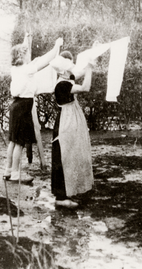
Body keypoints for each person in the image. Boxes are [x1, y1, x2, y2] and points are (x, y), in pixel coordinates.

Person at [4, 35, 64, 183]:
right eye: (27, 53)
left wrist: (25, 39)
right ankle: (16, 174)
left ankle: (8, 170)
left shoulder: (15, 69)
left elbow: (22, 51)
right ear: (23, 56)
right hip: (23, 107)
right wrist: (56, 46)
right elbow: (45, 60)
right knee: (19, 142)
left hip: (15, 106)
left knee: (12, 141)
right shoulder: (28, 69)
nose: (29, 55)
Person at [51, 51, 94, 208]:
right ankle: (61, 196)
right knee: (64, 155)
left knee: (72, 153)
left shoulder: (65, 79)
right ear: (64, 69)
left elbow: (79, 73)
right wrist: (89, 68)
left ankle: (70, 190)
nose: (72, 68)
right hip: (66, 121)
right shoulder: (63, 85)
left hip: (70, 118)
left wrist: (92, 56)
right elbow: (85, 87)